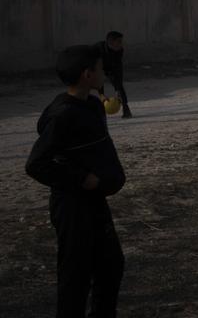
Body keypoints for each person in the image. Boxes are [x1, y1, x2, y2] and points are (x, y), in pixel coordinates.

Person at [26, 44, 127, 318]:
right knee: (76, 277)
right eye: (98, 68)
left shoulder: (92, 105)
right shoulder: (63, 115)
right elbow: (37, 164)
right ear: (86, 74)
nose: (103, 72)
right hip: (72, 208)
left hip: (96, 203)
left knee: (111, 265)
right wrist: (83, 179)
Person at [96, 31, 132, 119]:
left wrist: (117, 90)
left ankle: (126, 108)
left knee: (119, 87)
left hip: (111, 68)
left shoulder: (119, 51)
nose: (121, 44)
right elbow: (96, 72)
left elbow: (118, 70)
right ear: (111, 42)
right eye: (119, 42)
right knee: (95, 85)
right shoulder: (98, 49)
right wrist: (101, 94)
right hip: (96, 68)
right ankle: (99, 111)